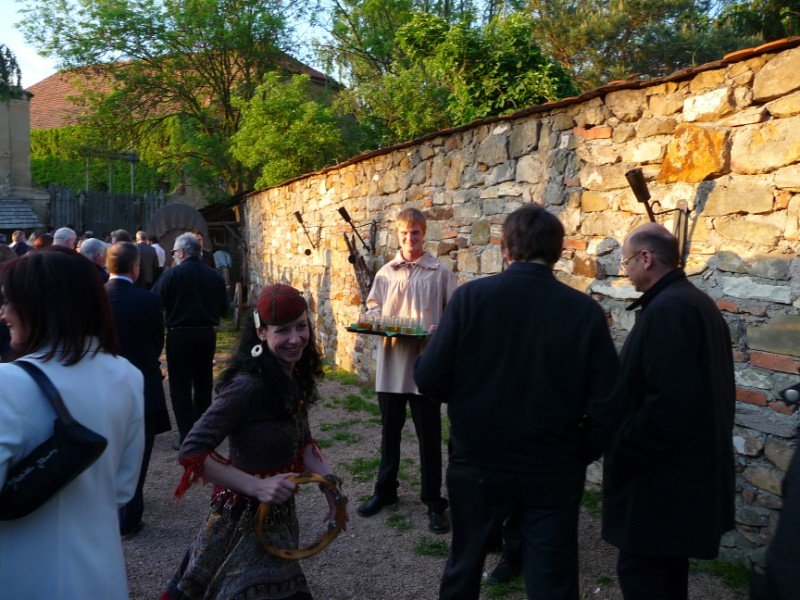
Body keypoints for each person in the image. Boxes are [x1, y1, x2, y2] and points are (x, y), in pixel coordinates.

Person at [414, 204, 620, 599]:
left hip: (479, 459)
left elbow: (429, 378)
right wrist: (580, 451)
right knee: (552, 578)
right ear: (557, 252)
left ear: (505, 249)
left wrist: (462, 390)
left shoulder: (471, 299)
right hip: (552, 465)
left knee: (464, 565)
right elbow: (609, 402)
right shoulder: (584, 312)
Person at [164, 283, 346, 599]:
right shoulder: (248, 386)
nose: (295, 339)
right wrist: (257, 486)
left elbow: (303, 440)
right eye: (282, 330)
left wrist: (331, 487)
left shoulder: (291, 376)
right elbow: (192, 450)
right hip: (241, 521)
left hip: (281, 517)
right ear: (262, 332)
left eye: (301, 326)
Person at [0, 246, 144, 599]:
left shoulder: (7, 383)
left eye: (10, 301)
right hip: (102, 576)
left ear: (40, 306)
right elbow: (123, 490)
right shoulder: (128, 376)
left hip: (24, 576)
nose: (3, 313)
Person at [602, 222, 735, 600]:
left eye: (627, 262)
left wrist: (624, 447)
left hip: (661, 482)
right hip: (678, 477)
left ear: (646, 258)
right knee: (666, 575)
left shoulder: (670, 310)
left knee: (644, 576)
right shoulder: (694, 302)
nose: (625, 271)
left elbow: (671, 401)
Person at [356, 207, 457, 534]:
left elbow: (454, 315)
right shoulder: (386, 273)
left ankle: (433, 501)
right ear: (397, 235)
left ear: (424, 233)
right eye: (404, 233)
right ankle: (385, 490)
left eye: (415, 232)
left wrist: (439, 329)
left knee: (429, 438)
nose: (409, 238)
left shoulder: (440, 272)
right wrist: (374, 319)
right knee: (389, 433)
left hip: (425, 368)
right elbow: (373, 307)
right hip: (392, 365)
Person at [106, 242, 172, 537]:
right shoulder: (149, 300)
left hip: (103, 384)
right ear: (135, 268)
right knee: (138, 450)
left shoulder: (94, 297)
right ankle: (130, 514)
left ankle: (108, 509)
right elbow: (157, 341)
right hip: (141, 380)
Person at [153, 232, 228, 448]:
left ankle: (186, 435)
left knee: (180, 386)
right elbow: (224, 309)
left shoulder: (172, 275)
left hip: (179, 334)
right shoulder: (214, 276)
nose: (173, 255)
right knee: (204, 382)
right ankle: (202, 433)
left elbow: (155, 301)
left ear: (182, 252)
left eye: (174, 252)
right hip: (206, 334)